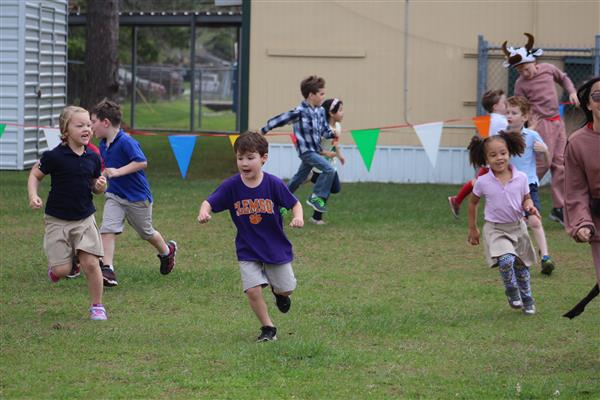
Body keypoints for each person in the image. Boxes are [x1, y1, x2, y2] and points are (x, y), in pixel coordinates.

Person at [197, 131, 304, 342]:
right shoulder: (231, 186)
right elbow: (209, 201)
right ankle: (268, 328)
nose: (244, 163)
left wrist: (298, 217)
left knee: (287, 289)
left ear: (264, 158)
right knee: (253, 290)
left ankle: (279, 293)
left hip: (274, 246)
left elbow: (295, 203)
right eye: (240, 158)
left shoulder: (273, 184)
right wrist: (204, 212)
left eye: (250, 157)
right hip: (247, 247)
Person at [27, 106, 108, 320]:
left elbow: (95, 185)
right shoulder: (54, 156)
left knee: (91, 264)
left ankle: (97, 306)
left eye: (89, 125)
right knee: (62, 271)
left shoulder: (93, 157)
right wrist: (33, 195)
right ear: (65, 130)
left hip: (84, 218)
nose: (86, 129)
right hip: (57, 220)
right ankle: (58, 268)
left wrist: (100, 186)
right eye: (79, 125)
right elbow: (35, 174)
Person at [90, 99, 177, 287]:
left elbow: (141, 162)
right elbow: (107, 167)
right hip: (114, 195)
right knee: (107, 229)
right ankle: (108, 269)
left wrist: (118, 172)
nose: (91, 127)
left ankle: (166, 251)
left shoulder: (126, 141)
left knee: (146, 232)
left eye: (93, 122)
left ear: (106, 122)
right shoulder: (103, 145)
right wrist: (101, 177)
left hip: (137, 198)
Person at [503, 32, 580, 225]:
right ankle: (518, 197)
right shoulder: (521, 84)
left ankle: (559, 207)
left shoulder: (548, 69)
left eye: (526, 68)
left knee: (561, 164)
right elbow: (520, 106)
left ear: (533, 61)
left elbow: (564, 78)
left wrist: (571, 92)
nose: (524, 73)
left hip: (557, 121)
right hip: (541, 123)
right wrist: (529, 126)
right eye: (520, 70)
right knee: (542, 164)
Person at [467, 131, 538, 315]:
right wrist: (473, 228)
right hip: (496, 229)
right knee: (506, 260)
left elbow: (526, 197)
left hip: (518, 227)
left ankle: (527, 298)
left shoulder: (521, 178)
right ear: (486, 159)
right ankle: (511, 290)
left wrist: (529, 206)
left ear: (509, 152)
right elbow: (472, 203)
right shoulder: (483, 182)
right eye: (493, 155)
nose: (499, 158)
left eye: (503, 153)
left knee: (522, 267)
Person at [260, 75, 338, 214]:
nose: (323, 96)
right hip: (306, 151)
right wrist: (264, 129)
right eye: (321, 94)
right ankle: (316, 197)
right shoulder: (299, 112)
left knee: (299, 179)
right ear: (311, 95)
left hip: (315, 150)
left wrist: (331, 133)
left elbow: (324, 130)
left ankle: (280, 202)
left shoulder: (320, 111)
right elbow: (281, 119)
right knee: (329, 169)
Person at [505, 96, 556, 275]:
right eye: (507, 112)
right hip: (509, 188)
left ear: (525, 117)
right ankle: (514, 257)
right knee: (514, 224)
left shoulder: (532, 136)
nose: (509, 116)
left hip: (529, 186)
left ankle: (545, 257)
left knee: (534, 220)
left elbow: (548, 163)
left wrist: (546, 151)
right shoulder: (502, 137)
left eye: (514, 113)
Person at [563, 77, 600, 318]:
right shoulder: (577, 143)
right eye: (598, 97)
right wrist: (582, 223)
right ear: (588, 104)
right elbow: (576, 191)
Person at [448, 89, 508, 217]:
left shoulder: (492, 119)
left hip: (491, 157)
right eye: (504, 103)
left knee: (479, 182)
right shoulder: (502, 121)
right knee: (484, 183)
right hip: (497, 158)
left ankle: (457, 200)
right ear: (495, 107)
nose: (507, 105)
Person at [307, 98, 345, 225]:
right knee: (327, 188)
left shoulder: (338, 127)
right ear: (331, 113)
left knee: (335, 188)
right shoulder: (322, 128)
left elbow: (335, 142)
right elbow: (313, 147)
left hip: (331, 164)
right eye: (340, 110)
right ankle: (316, 218)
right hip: (319, 164)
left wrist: (340, 155)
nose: (343, 113)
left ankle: (316, 217)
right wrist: (326, 153)